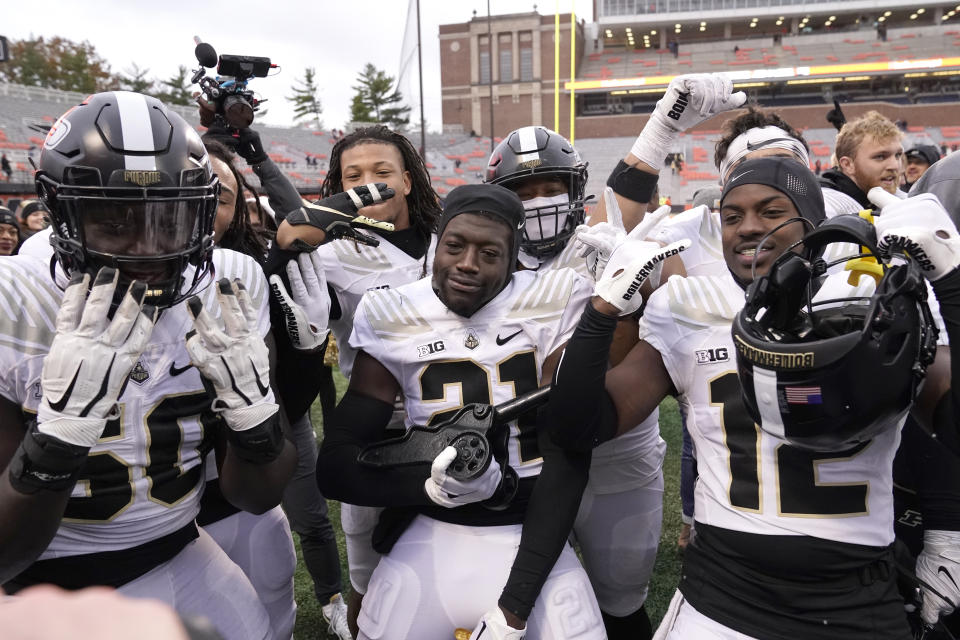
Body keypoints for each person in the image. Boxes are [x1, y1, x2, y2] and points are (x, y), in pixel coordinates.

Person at [548, 156, 960, 639]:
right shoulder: (687, 306)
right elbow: (577, 426)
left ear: (812, 220)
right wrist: (606, 307)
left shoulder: (876, 299)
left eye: (770, 211)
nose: (748, 229)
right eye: (732, 216)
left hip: (855, 596)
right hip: (723, 595)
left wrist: (950, 282)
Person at [0, 91, 296, 640]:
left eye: (171, 219)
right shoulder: (14, 299)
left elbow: (258, 496)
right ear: (58, 209)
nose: (149, 248)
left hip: (183, 548)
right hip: (45, 582)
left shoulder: (230, 282)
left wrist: (255, 417)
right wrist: (60, 437)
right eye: (115, 222)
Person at [316, 183, 604, 639]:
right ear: (437, 244)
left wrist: (515, 606)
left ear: (514, 258)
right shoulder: (393, 310)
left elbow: (571, 446)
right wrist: (428, 485)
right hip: (430, 532)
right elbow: (336, 464)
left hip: (530, 529)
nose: (467, 264)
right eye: (455, 246)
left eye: (490, 253)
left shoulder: (555, 296)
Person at [486, 125, 665, 639]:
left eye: (550, 189)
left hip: (616, 456)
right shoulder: (482, 261)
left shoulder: (604, 245)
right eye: (522, 192)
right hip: (527, 460)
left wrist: (634, 284)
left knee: (621, 600)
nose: (538, 203)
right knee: (533, 602)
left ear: (575, 190)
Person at [271, 124, 442, 639]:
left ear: (408, 181)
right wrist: (296, 233)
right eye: (353, 176)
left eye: (382, 172)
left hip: (463, 421)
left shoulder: (451, 240)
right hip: (378, 431)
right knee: (368, 579)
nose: (369, 184)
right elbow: (281, 272)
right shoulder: (333, 256)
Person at [819, 110, 905, 217]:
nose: (895, 166)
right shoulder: (827, 203)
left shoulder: (900, 198)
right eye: (880, 156)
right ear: (847, 165)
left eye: (898, 155)